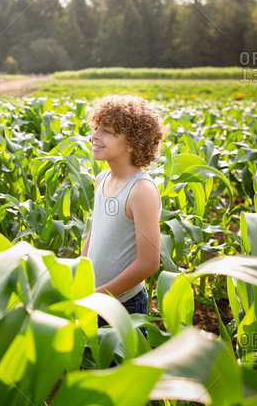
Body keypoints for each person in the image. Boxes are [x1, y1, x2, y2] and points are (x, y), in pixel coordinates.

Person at [81, 94, 164, 335]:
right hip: (93, 298)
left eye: (106, 131)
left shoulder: (141, 190)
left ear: (132, 142)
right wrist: (80, 276)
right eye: (96, 127)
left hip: (123, 306)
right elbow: (94, 235)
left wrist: (100, 295)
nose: (95, 136)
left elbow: (149, 263)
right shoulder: (101, 179)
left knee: (120, 371)